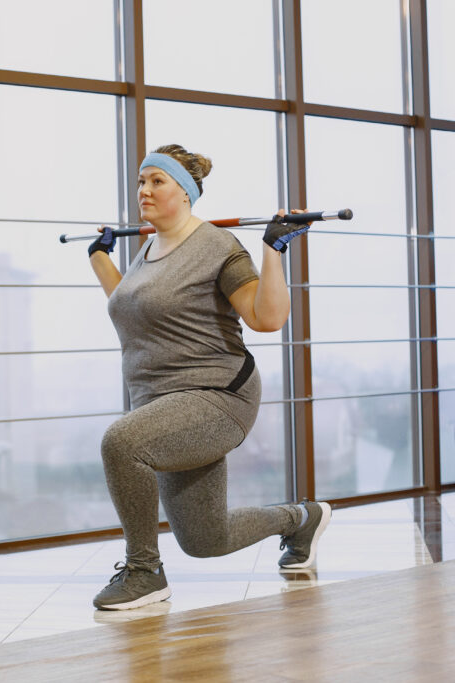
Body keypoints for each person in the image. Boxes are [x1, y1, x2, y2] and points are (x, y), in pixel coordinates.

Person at [87, 143, 331, 611]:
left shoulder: (217, 247)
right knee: (205, 539)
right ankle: (302, 519)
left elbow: (266, 318)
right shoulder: (148, 250)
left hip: (217, 396)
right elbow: (133, 308)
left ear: (186, 192)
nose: (145, 190)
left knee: (122, 443)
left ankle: (144, 573)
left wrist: (272, 249)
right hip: (163, 405)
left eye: (157, 181)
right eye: (142, 181)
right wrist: (101, 258)